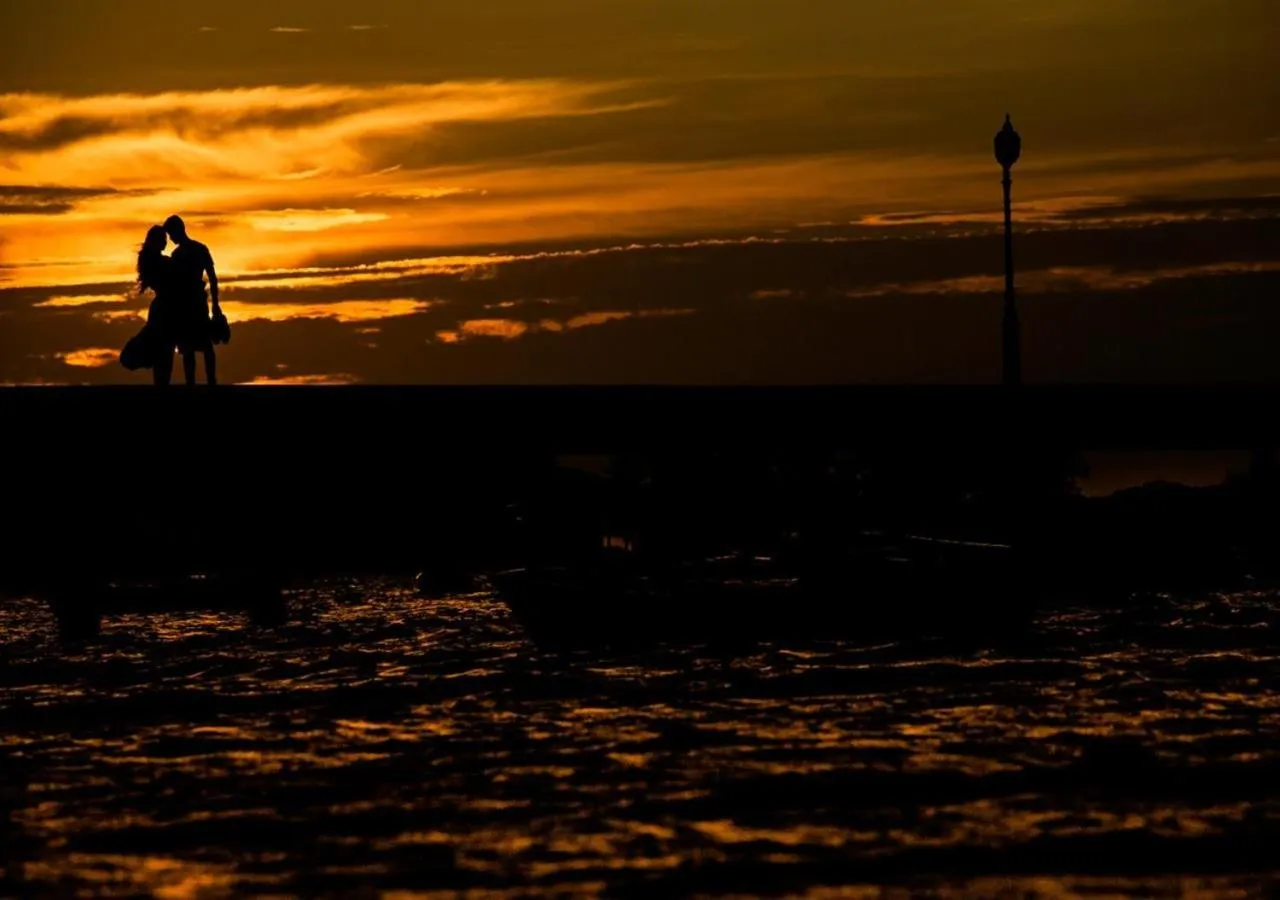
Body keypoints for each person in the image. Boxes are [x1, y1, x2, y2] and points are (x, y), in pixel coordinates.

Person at [164, 214, 221, 386]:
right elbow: (212, 279)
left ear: (178, 230)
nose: (170, 238)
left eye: (171, 234)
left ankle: (201, 383)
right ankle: (205, 382)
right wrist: (215, 304)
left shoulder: (181, 254)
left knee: (196, 346)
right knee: (195, 346)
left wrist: (216, 305)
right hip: (190, 304)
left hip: (191, 304)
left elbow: (212, 278)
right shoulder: (197, 249)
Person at [135, 225, 177, 386]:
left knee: (160, 352)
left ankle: (160, 386)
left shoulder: (149, 261)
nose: (166, 243)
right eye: (163, 239)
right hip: (166, 309)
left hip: (160, 308)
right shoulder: (163, 262)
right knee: (166, 351)